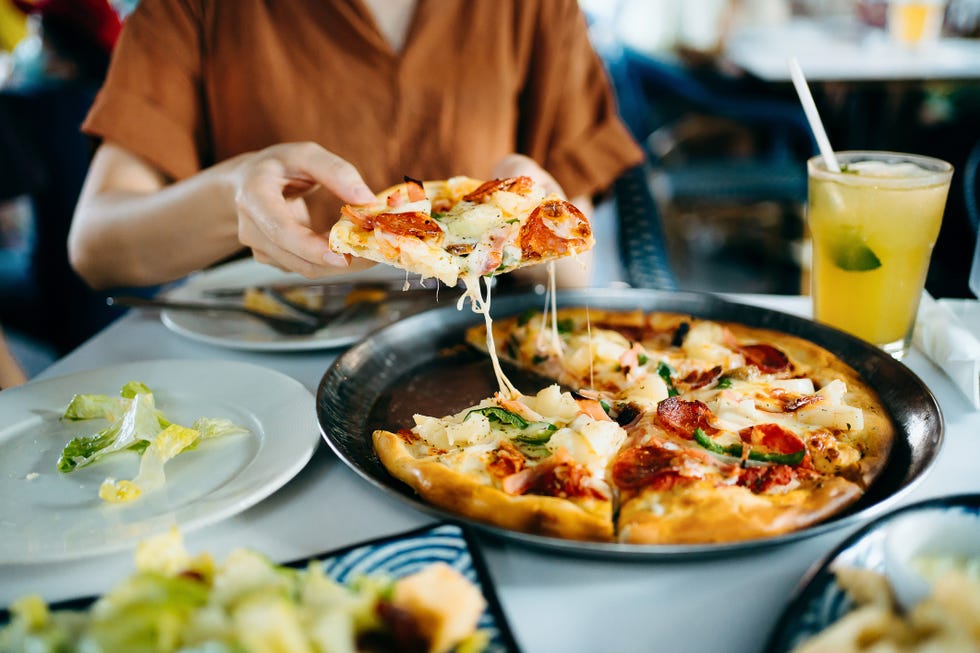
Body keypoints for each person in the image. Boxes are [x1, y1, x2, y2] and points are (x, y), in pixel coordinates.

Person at [67, 0, 644, 291]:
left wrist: (534, 219)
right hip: (256, 377)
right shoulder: (191, 10)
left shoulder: (537, 9)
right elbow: (96, 248)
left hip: (468, 369)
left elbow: (577, 271)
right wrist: (231, 193)